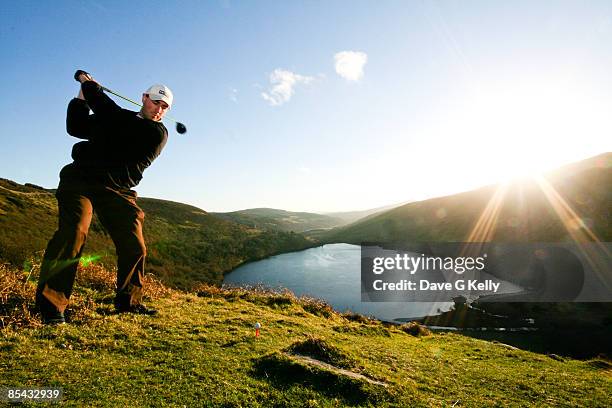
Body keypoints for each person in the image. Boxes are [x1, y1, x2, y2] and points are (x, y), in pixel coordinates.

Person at [35, 70, 173, 324]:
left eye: (164, 107)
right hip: (80, 181)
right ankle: (51, 307)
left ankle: (129, 303)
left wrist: (88, 86)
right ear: (144, 98)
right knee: (74, 232)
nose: (159, 110)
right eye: (156, 102)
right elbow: (76, 126)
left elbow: (109, 112)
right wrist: (82, 93)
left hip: (117, 191)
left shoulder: (157, 133)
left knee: (135, 244)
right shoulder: (117, 119)